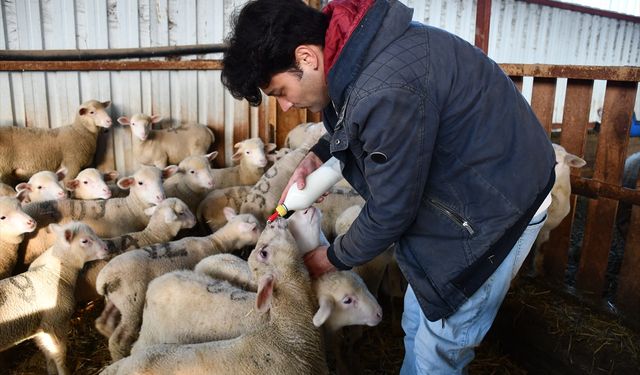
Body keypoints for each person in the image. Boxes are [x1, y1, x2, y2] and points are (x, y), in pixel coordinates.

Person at [221, 0, 556, 373]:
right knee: (417, 320)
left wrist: (328, 259)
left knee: (439, 349)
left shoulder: (387, 88)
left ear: (306, 57)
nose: (285, 106)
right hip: (469, 185)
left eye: (280, 91)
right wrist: (318, 155)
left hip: (493, 209)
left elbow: (391, 210)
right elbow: (350, 116)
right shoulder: (357, 54)